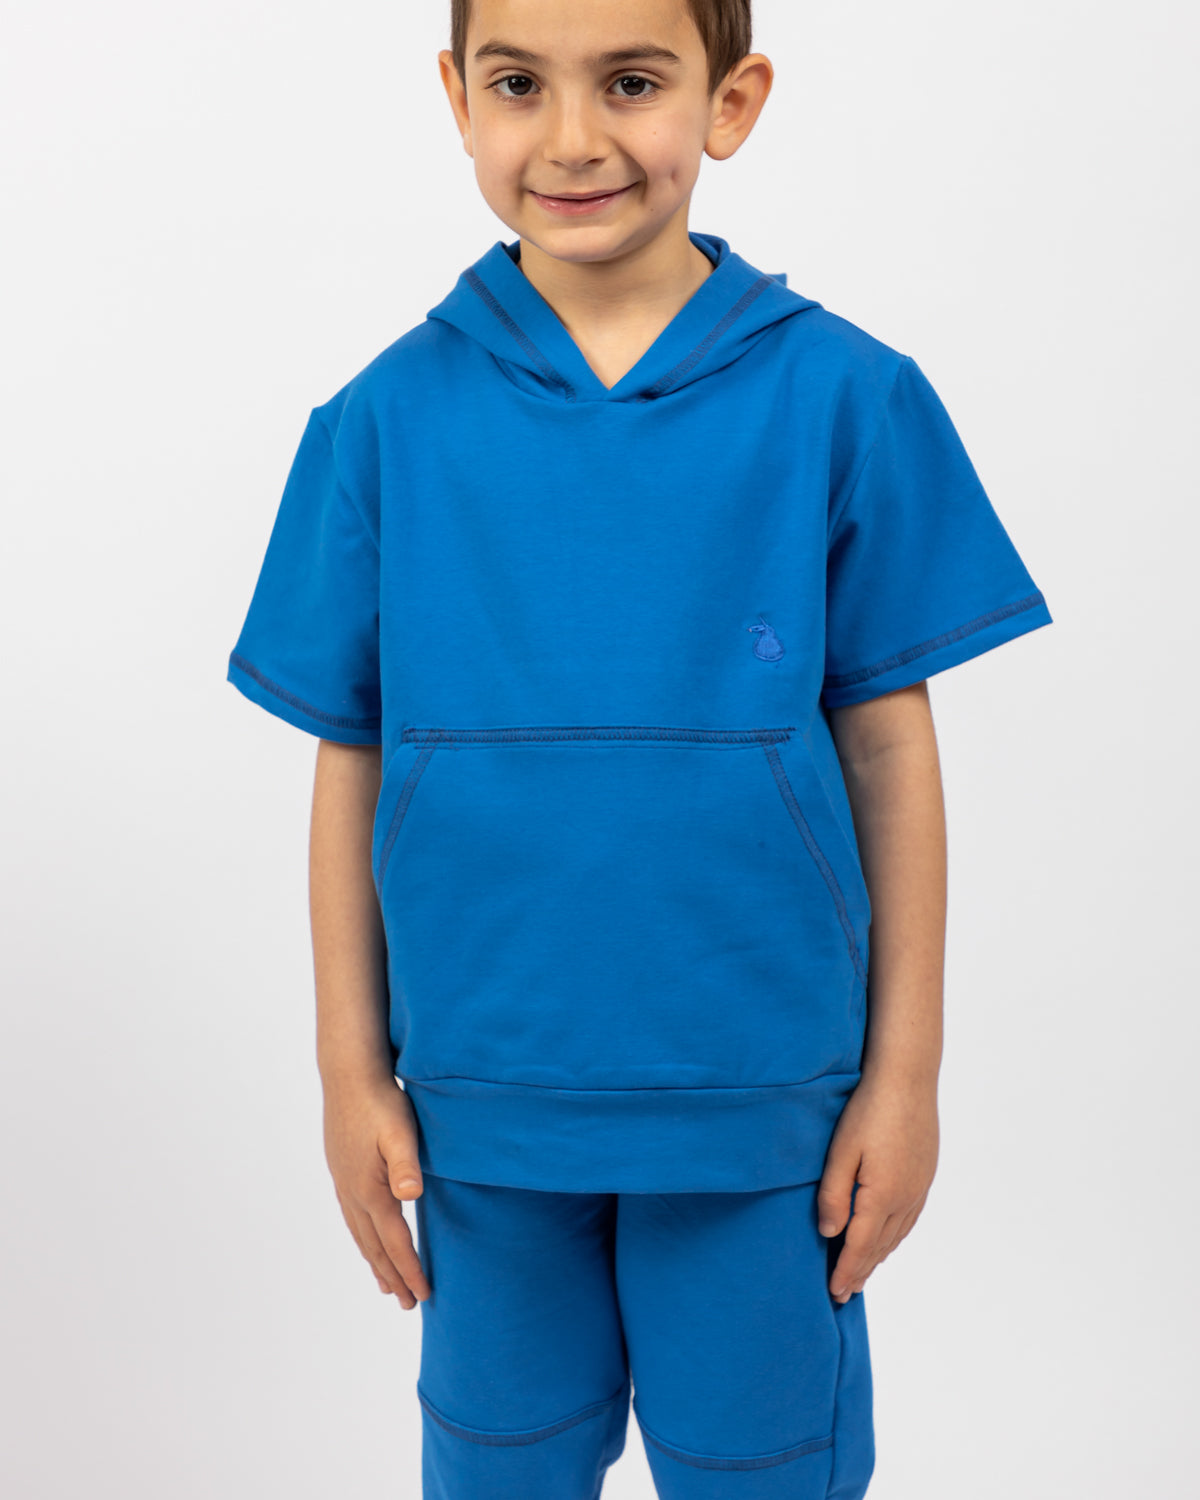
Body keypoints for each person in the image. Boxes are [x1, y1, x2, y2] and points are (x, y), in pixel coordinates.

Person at [225, 1, 1053, 1494]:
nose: (573, 138)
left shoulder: (843, 398)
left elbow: (889, 755)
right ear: (457, 99)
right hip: (481, 1105)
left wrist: (907, 1077)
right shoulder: (381, 424)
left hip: (761, 1111)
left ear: (730, 100)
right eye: (518, 84)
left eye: (629, 81)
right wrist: (350, 1071)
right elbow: (352, 755)